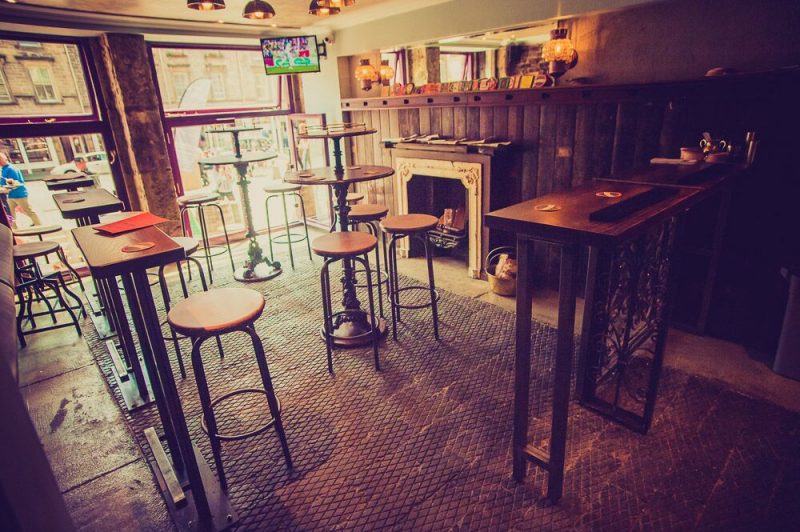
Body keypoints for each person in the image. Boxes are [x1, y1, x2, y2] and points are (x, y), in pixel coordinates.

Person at [0, 151, 42, 228]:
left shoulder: (11, 169)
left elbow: (14, 183)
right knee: (11, 213)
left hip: (19, 194)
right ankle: (14, 228)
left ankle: (38, 225)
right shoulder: (4, 169)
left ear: (3, 159)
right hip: (11, 195)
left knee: (28, 211)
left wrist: (3, 189)